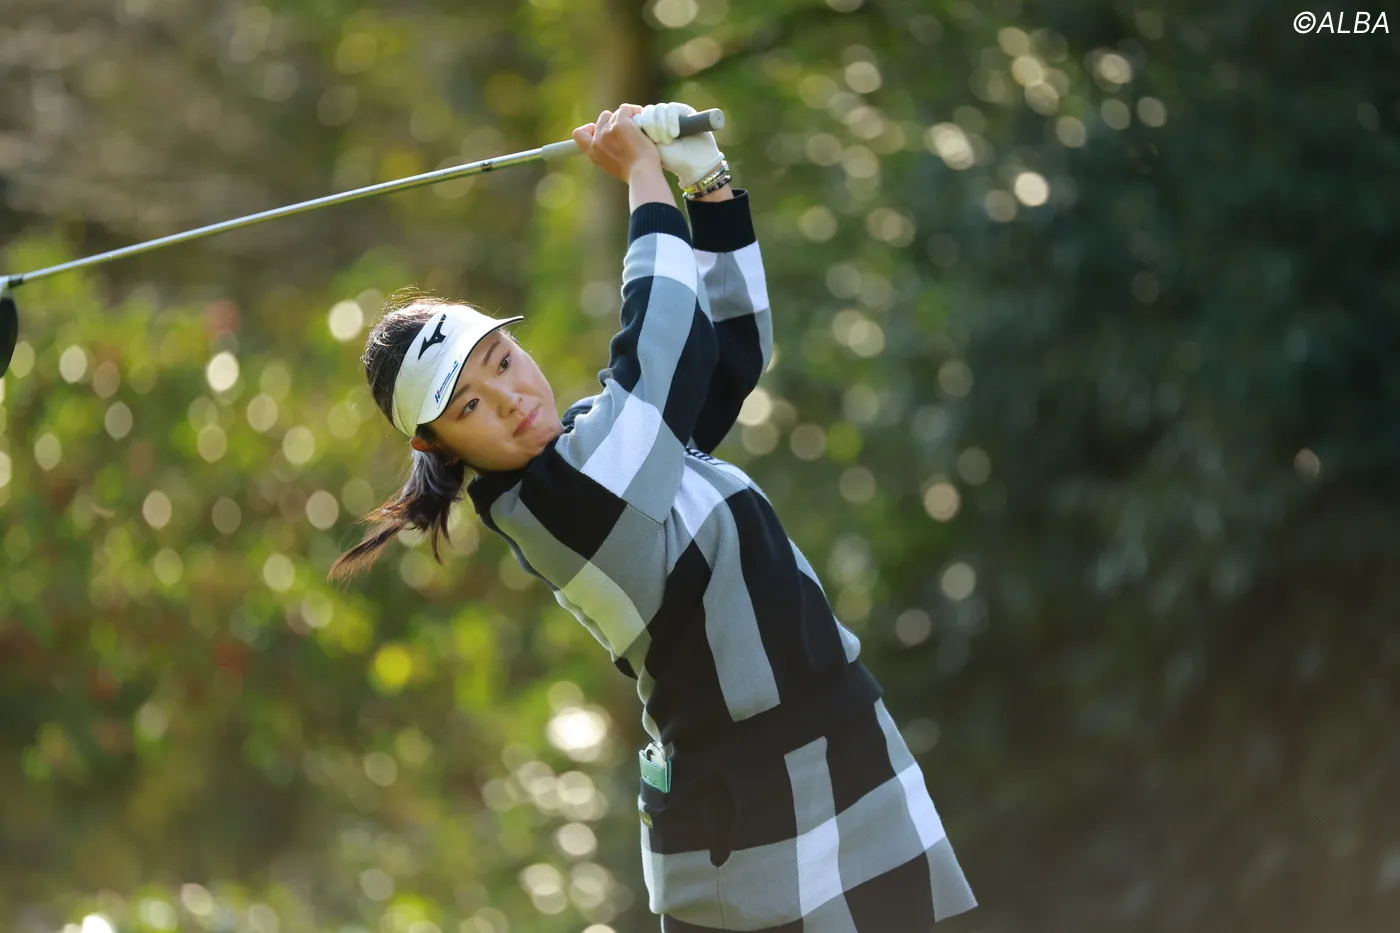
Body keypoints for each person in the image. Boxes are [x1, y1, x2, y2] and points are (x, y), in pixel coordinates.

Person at [329, 102, 976, 930]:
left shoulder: (605, 439)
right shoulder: (554, 506)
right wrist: (642, 176)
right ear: (438, 443)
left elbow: (725, 352)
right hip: (746, 810)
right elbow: (661, 344)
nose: (512, 398)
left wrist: (708, 185)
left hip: (840, 745)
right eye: (471, 407)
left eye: (503, 361)